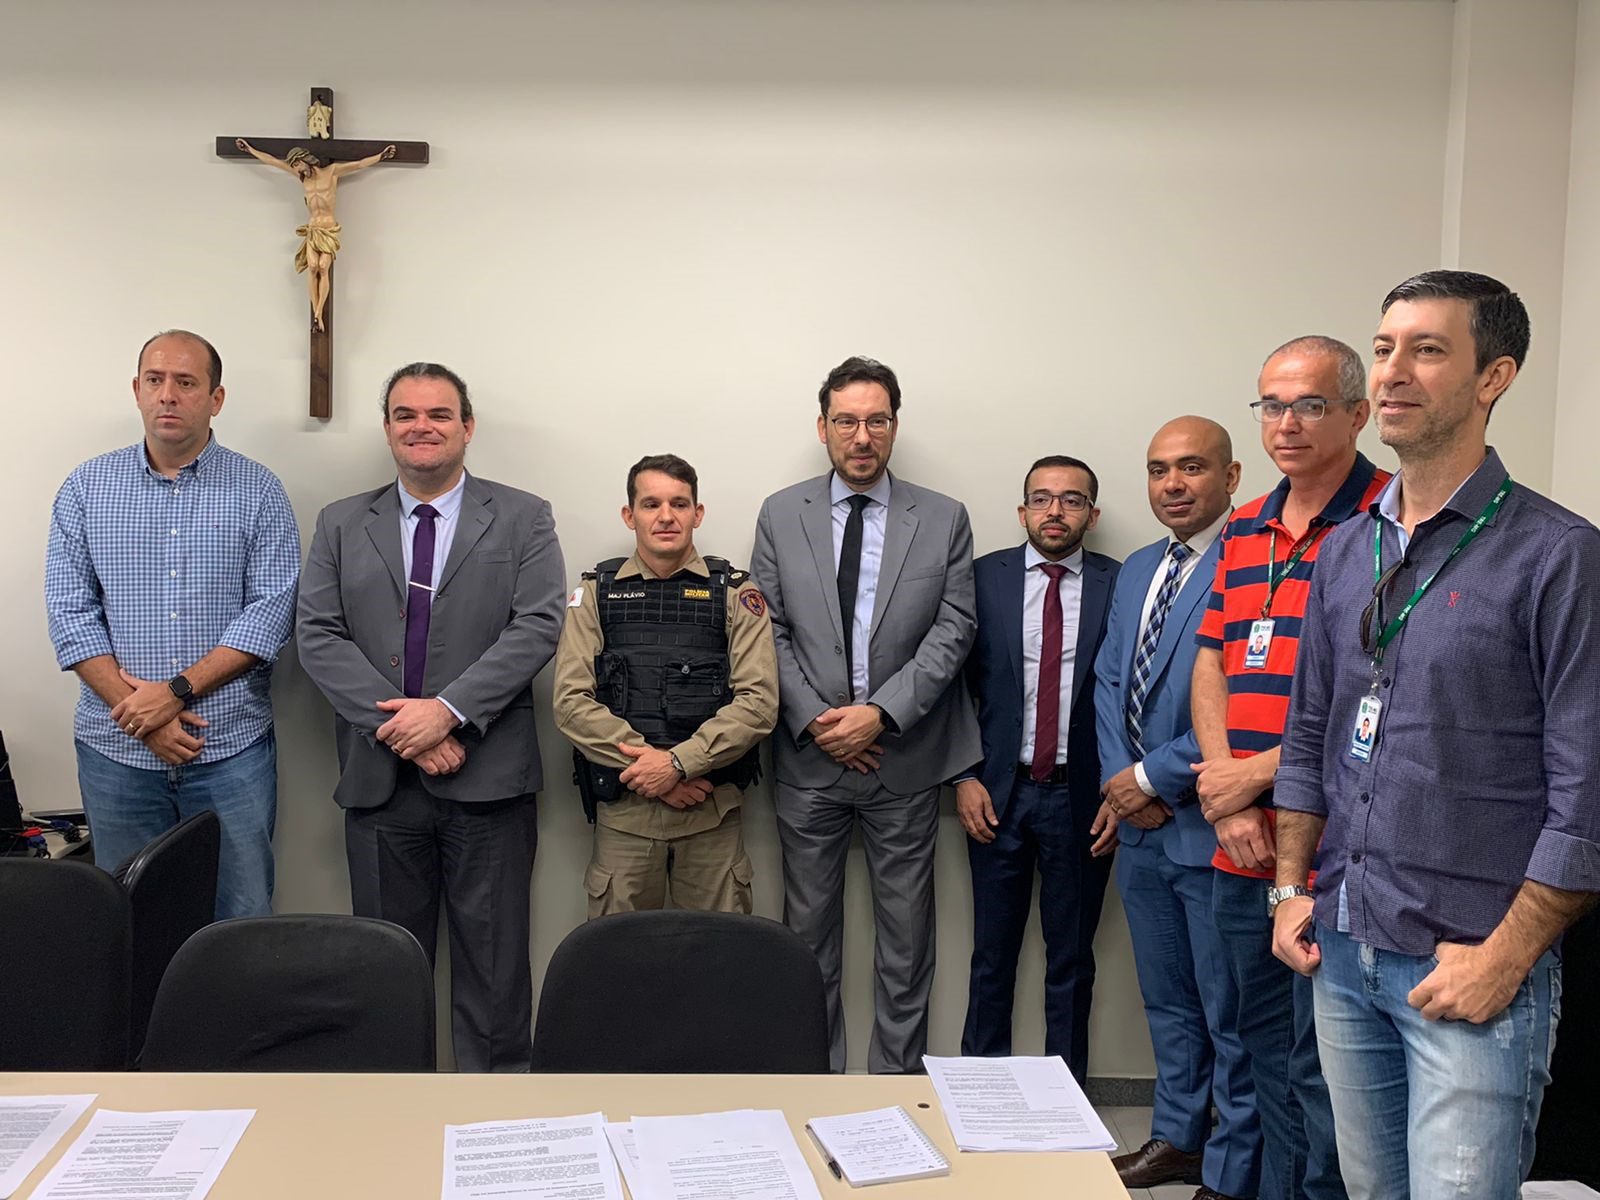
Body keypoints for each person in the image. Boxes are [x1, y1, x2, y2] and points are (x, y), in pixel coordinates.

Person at [1273, 271, 1600, 1197]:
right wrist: (1289, 890)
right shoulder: (1349, 547)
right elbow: (1310, 734)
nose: (1392, 372)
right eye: (1384, 349)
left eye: (1427, 350)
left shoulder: (1558, 554)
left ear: (1494, 376)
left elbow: (1587, 788)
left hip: (1470, 968)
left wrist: (1508, 956)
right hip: (1343, 952)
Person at [296, 362, 565, 1072]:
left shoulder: (523, 516)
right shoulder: (340, 522)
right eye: (406, 414)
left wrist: (447, 713)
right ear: (388, 428)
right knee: (386, 972)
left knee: (496, 977)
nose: (423, 427)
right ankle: (393, 1116)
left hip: (489, 781)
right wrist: (406, 733)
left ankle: (494, 1116)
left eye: (440, 414)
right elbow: (318, 634)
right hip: (380, 784)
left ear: (467, 427)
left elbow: (538, 625)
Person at [1191, 336, 1390, 1200]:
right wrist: (1226, 786)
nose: (1287, 423)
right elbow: (1212, 660)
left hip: (1337, 847)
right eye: (1271, 405)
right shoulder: (1242, 525)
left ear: (1358, 413)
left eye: (1310, 405)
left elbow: (1380, 691)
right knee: (1261, 1053)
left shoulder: (1394, 518)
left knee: (1327, 1070)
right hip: (1240, 844)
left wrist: (1256, 775)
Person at [750, 355, 980, 1074]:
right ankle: (814, 1079)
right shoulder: (780, 513)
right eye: (846, 421)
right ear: (822, 427)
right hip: (809, 760)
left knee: (906, 943)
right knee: (806, 940)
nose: (861, 436)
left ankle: (895, 1084)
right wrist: (820, 720)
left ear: (894, 427)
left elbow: (955, 628)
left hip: (903, 760)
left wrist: (880, 714)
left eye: (876, 420)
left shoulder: (941, 517)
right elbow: (764, 627)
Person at [45, 330, 299, 919]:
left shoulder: (258, 490)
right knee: (127, 921)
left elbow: (271, 611)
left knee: (239, 919)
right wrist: (139, 714)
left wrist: (174, 694)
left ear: (216, 398)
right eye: (155, 380)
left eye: (186, 382)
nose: (168, 395)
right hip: (116, 752)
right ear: (137, 390)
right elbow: (70, 613)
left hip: (230, 748)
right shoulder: (86, 488)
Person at [1095, 418, 1259, 1200]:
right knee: (1166, 999)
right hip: (1140, 832)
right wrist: (1117, 781)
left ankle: (1233, 1166)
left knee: (1230, 1009)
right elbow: (1107, 681)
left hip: (1211, 824)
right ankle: (1179, 1138)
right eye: (1159, 469)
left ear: (1232, 476)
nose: (1173, 484)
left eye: (1192, 467)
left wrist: (1152, 779)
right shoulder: (1138, 568)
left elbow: (1247, 702)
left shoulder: (1255, 562)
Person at [553, 453, 778, 916]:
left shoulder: (735, 593)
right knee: (620, 956)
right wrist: (654, 773)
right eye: (651, 504)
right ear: (629, 515)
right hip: (625, 820)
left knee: (719, 954)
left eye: (679, 503)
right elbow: (570, 702)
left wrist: (678, 764)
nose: (666, 516)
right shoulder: (595, 593)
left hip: (710, 816)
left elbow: (758, 702)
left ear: (698, 513)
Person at [954, 455, 1118, 1084]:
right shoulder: (981, 577)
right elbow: (953, 685)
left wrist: (1121, 790)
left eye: (1072, 500)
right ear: (1022, 511)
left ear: (1091, 515)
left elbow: (1133, 692)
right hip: (997, 793)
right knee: (991, 954)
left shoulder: (1120, 582)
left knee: (1071, 959)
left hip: (1083, 800)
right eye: (1042, 499)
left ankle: (1065, 1097)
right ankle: (981, 1090)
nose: (1055, 511)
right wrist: (963, 776)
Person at [233, 138, 397, 330]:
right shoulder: (302, 177)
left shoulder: (332, 172)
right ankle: (317, 315)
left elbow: (359, 164)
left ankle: (319, 312)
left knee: (323, 266)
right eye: (294, 166)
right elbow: (273, 162)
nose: (297, 169)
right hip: (313, 229)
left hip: (328, 229)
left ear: (305, 159)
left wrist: (381, 156)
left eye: (297, 164)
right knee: (312, 267)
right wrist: (250, 150)